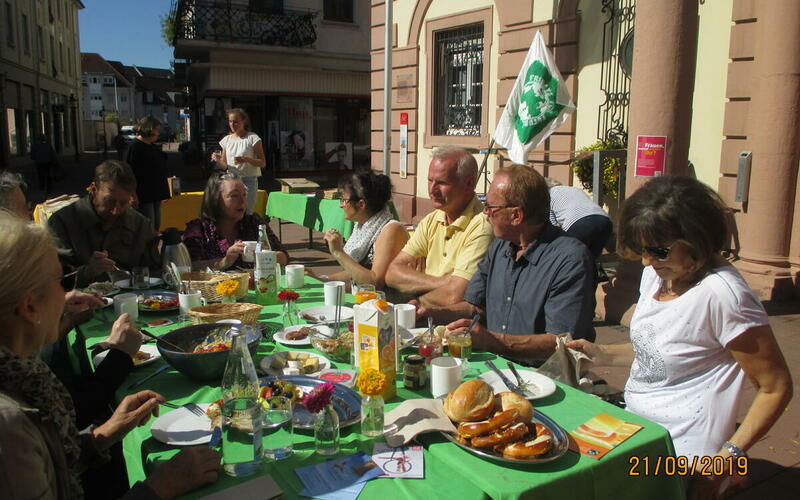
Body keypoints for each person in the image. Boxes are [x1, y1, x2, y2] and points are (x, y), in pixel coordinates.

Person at [566, 177, 792, 495]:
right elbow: (661, 350)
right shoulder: (656, 275)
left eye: (658, 251)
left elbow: (776, 388)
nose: (647, 261)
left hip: (685, 454)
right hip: (637, 430)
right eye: (643, 250)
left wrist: (725, 462)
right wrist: (599, 354)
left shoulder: (724, 296)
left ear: (697, 239)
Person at [0, 211, 221, 499]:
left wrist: (101, 437)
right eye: (63, 282)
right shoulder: (9, 428)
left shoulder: (21, 372)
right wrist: (160, 486)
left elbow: (50, 464)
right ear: (29, 308)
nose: (67, 295)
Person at [419, 165, 596, 364]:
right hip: (495, 366)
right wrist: (430, 313)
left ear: (516, 215)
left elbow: (563, 342)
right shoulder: (500, 246)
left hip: (546, 378)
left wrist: (493, 341)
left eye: (490, 207)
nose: (485, 213)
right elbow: (475, 307)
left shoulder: (570, 259)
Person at [385, 147, 493, 306]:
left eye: (442, 182)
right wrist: (444, 282)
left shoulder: (482, 225)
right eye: (430, 180)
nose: (432, 190)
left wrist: (415, 289)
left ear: (469, 183)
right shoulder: (432, 219)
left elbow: (455, 296)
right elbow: (392, 273)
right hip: (422, 318)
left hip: (453, 326)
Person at [47, 160, 161, 288]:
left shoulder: (141, 225)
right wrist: (89, 271)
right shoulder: (62, 223)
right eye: (109, 201)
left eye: (124, 203)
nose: (115, 210)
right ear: (94, 189)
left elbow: (155, 274)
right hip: (79, 305)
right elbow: (51, 282)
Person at [306, 171, 408, 289]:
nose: (341, 205)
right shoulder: (362, 227)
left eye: (344, 200)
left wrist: (338, 252)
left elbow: (375, 283)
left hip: (386, 305)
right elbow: (354, 274)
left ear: (361, 204)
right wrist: (323, 280)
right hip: (365, 302)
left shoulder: (391, 230)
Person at [183, 172, 288, 270]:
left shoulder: (254, 222)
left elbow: (284, 257)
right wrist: (224, 262)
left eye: (244, 195)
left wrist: (263, 257)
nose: (242, 201)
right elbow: (189, 266)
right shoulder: (198, 229)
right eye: (234, 195)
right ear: (216, 199)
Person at [210, 108, 266, 214]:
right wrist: (217, 160)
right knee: (232, 211)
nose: (232, 124)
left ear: (243, 121)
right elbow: (224, 165)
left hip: (248, 180)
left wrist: (246, 159)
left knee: (246, 212)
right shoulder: (227, 140)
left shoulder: (252, 138)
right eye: (230, 121)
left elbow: (262, 162)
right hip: (232, 180)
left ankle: (248, 230)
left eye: (236, 122)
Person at [124, 116, 171, 231]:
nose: (159, 133)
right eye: (157, 129)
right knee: (147, 226)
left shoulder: (152, 146)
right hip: (143, 194)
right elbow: (127, 172)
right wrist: (132, 194)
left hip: (155, 193)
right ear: (149, 129)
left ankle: (153, 247)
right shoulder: (134, 147)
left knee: (155, 226)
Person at [547, 182, 613, 261]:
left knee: (566, 259)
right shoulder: (575, 189)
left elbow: (552, 226)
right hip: (604, 220)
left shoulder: (549, 195)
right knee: (590, 260)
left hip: (579, 222)